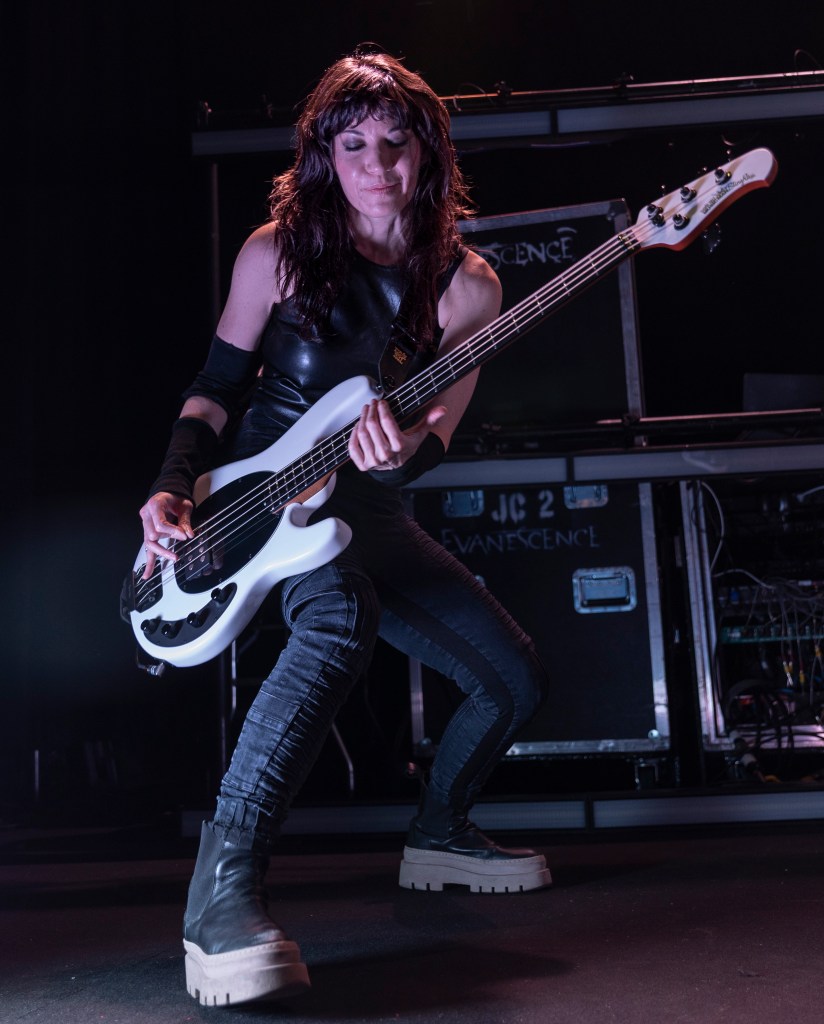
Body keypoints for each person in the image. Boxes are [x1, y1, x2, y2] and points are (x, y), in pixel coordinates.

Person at [138, 48, 551, 1008]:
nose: (376, 164)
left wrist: (400, 452)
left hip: (369, 507)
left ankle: (439, 832)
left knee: (516, 682)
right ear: (324, 154)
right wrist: (170, 486)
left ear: (429, 151)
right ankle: (220, 895)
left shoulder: (469, 288)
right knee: (337, 617)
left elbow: (437, 434)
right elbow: (215, 390)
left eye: (396, 142)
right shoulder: (274, 252)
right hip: (259, 505)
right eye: (353, 144)